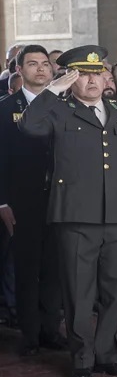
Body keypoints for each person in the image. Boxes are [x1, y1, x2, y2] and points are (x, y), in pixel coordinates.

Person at [21, 46, 117, 377]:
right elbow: (30, 127)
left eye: (97, 73)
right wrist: (53, 89)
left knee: (116, 290)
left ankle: (110, 355)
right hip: (76, 216)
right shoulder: (58, 111)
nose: (92, 80)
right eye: (83, 74)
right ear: (71, 77)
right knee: (79, 292)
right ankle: (81, 359)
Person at [0, 45, 65, 356]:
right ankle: (30, 335)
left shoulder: (64, 106)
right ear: (19, 71)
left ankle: (51, 330)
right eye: (32, 64)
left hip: (60, 199)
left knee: (54, 268)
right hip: (21, 201)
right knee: (27, 268)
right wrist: (2, 203)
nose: (41, 69)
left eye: (45, 64)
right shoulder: (5, 108)